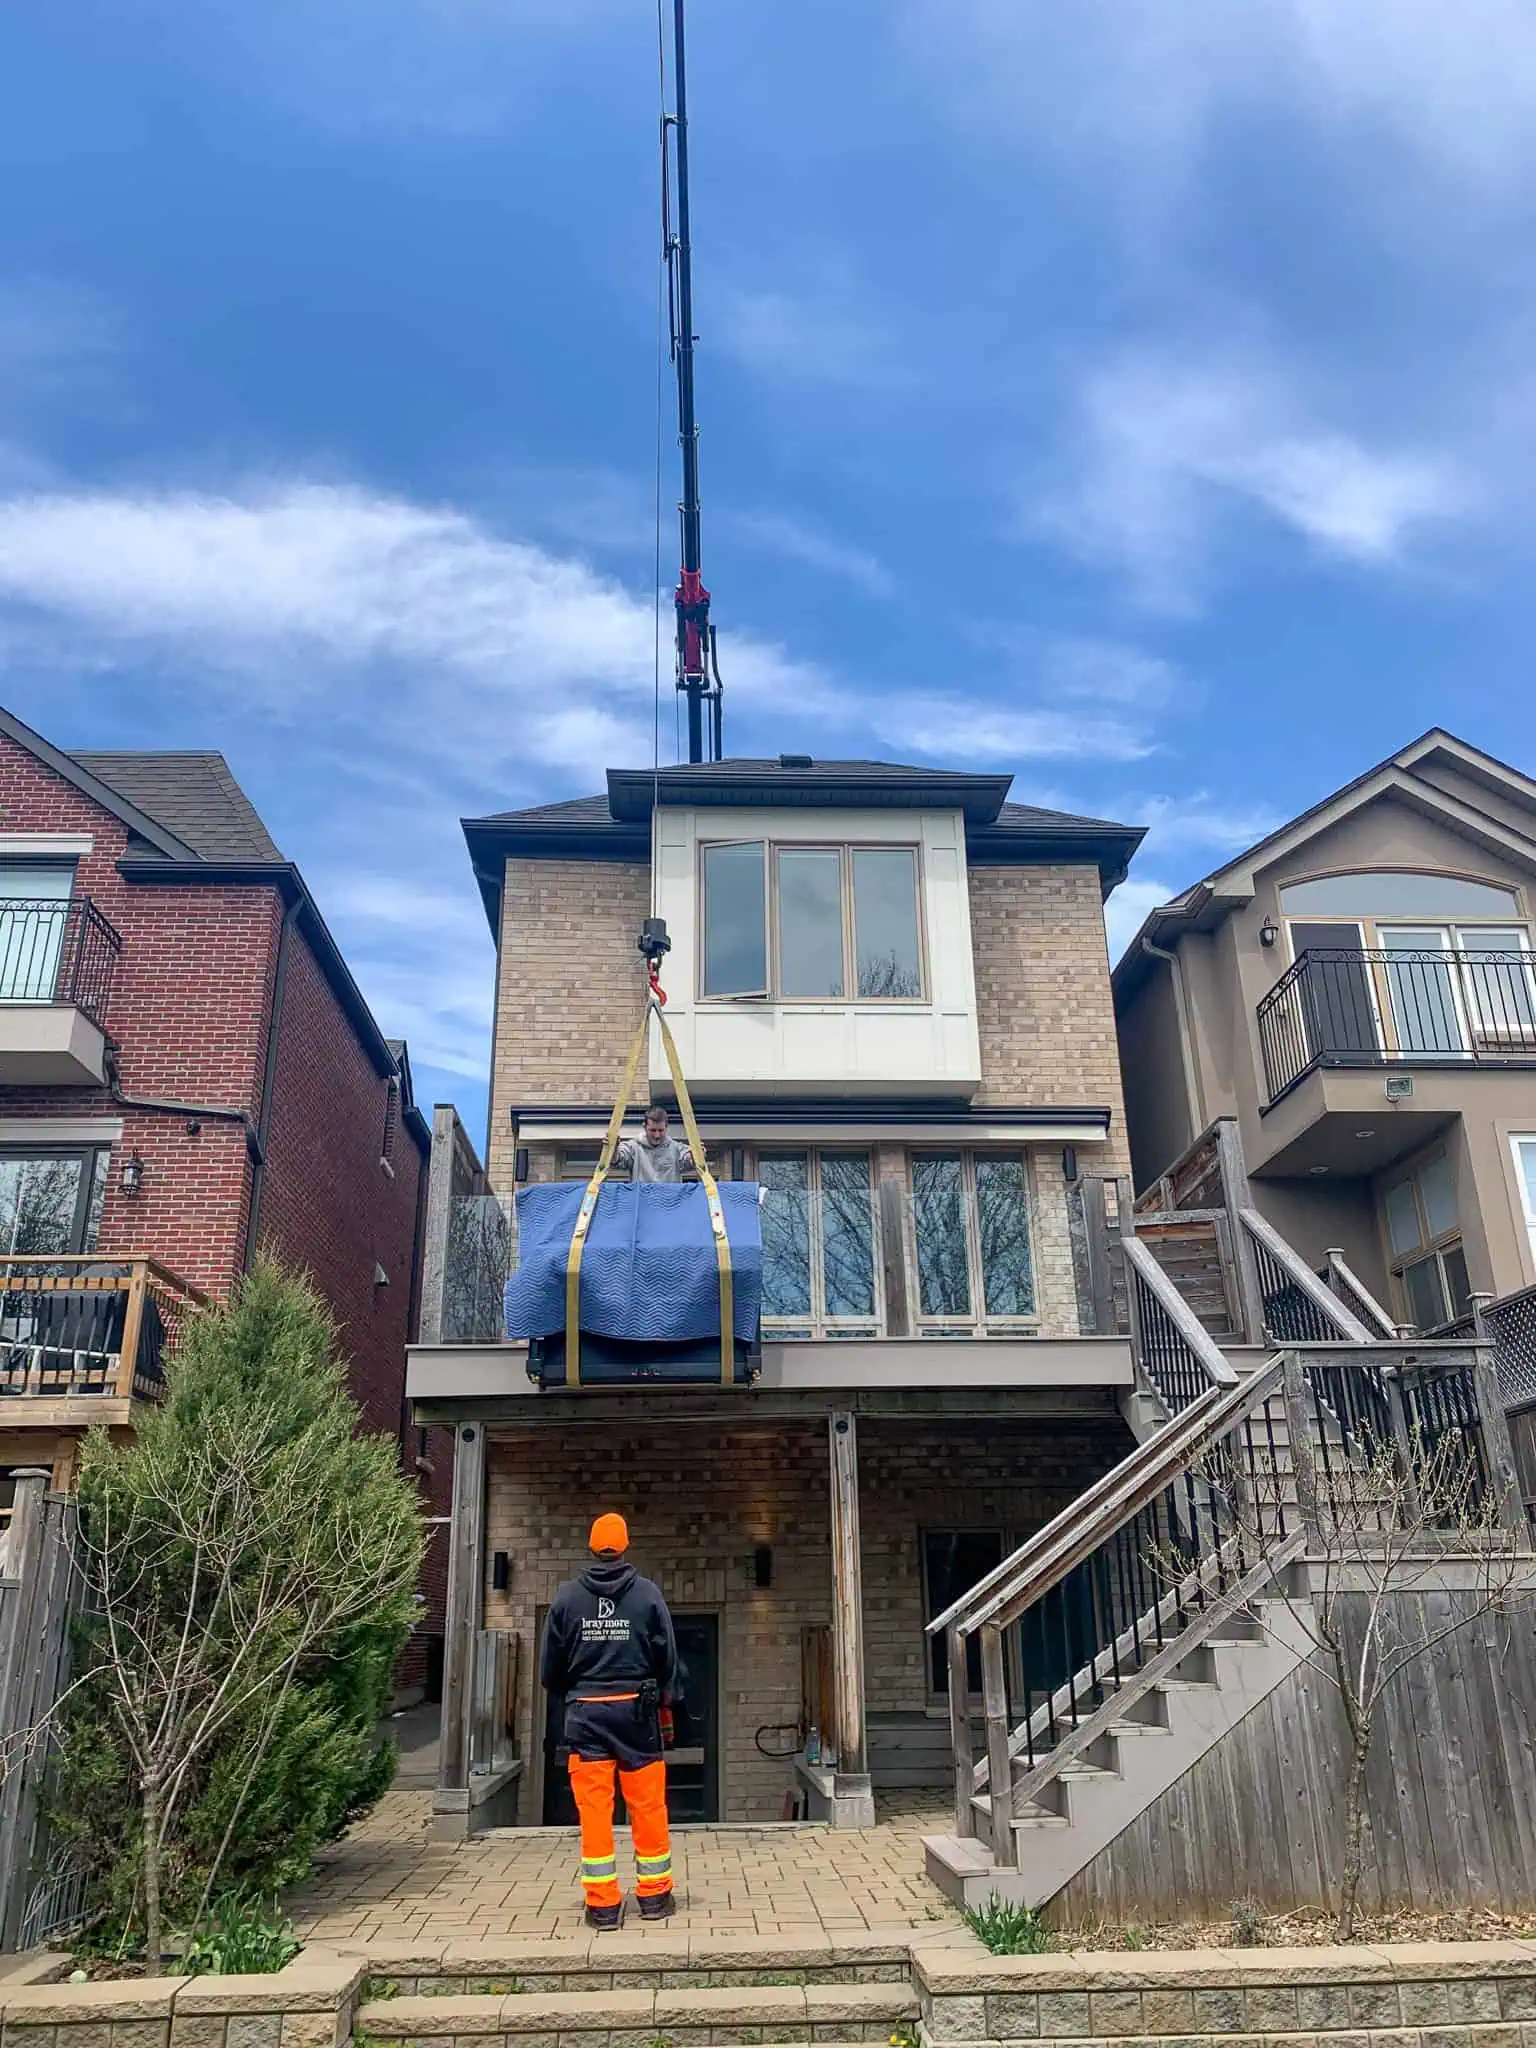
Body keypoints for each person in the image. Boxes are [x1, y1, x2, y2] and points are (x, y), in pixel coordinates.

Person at [540, 1512, 678, 1928]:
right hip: (636, 1712)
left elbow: (550, 1668)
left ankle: (602, 1906)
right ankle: (654, 1898)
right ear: (625, 1545)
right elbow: (667, 1656)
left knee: (595, 1810)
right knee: (648, 1804)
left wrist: (575, 1693)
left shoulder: (566, 1598)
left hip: (587, 1716)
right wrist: (664, 1695)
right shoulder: (648, 1594)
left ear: (592, 1546)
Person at [614, 1105, 698, 1183]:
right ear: (644, 1127)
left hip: (670, 1199)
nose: (656, 1135)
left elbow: (691, 1162)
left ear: (666, 1127)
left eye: (661, 1130)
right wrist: (612, 1149)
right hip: (642, 1198)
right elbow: (617, 1160)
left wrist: (697, 1156)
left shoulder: (677, 1149)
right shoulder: (634, 1147)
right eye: (652, 1130)